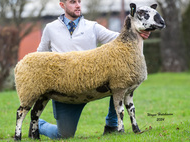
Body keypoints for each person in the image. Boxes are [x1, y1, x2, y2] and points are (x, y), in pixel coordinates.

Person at [37, 0, 150, 139]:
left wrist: (138, 32)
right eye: (73, 2)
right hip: (67, 91)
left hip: (92, 84)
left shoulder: (92, 27)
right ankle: (38, 125)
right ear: (62, 5)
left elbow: (119, 39)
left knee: (120, 80)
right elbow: (40, 56)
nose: (78, 5)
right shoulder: (50, 28)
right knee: (64, 135)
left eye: (79, 1)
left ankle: (111, 125)